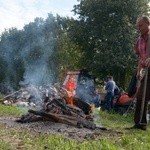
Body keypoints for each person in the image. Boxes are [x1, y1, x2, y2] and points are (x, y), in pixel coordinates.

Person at [127, 16, 150, 130]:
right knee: (141, 96)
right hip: (146, 70)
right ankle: (139, 123)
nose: (138, 28)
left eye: (140, 25)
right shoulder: (139, 41)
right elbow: (140, 58)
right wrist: (139, 70)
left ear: (147, 23)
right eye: (137, 26)